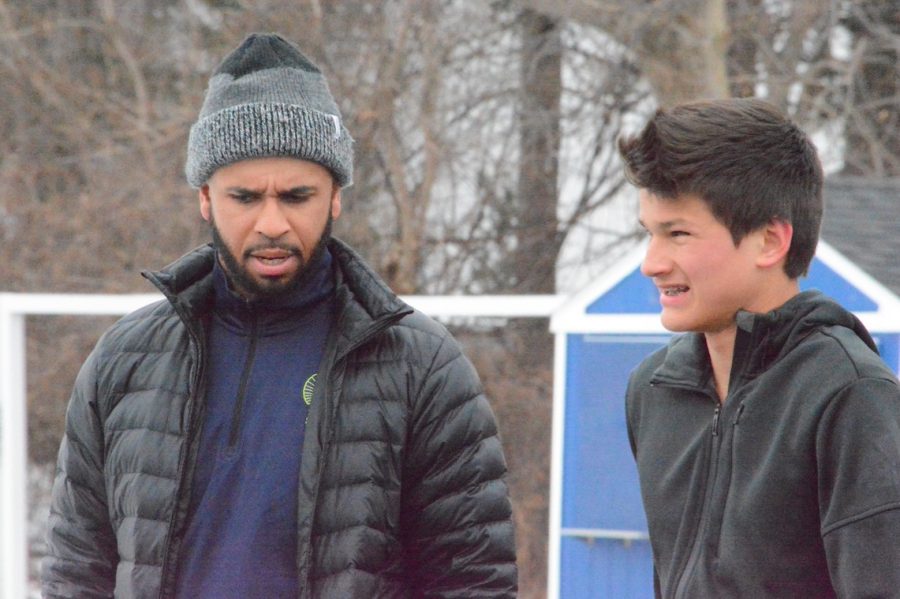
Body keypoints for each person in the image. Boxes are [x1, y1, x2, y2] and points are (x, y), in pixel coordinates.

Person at [41, 32, 517, 598]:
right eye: (244, 197)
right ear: (205, 198)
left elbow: (472, 583)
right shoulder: (124, 360)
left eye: (296, 196)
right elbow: (77, 574)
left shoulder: (420, 365)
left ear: (335, 196)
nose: (271, 223)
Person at [618, 98, 900, 597]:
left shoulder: (851, 394)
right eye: (650, 234)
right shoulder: (653, 390)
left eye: (678, 234)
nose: (652, 263)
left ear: (770, 241)